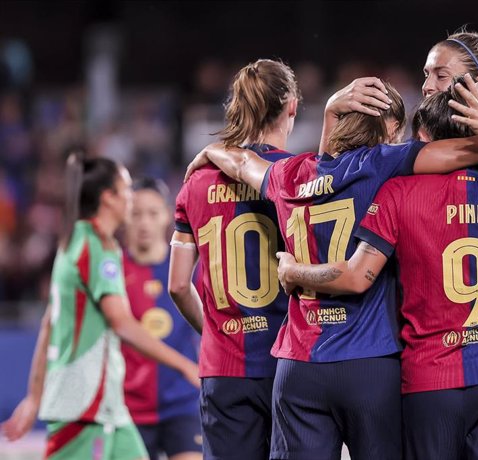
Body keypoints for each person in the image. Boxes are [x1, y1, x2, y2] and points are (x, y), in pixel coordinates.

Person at [184, 72, 478, 459]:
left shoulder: (288, 175)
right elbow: (469, 151)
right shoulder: (383, 166)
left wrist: (212, 152)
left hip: (299, 364)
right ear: (389, 129)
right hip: (370, 361)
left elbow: (244, 163)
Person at [326, 29, 478, 421]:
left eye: (439, 75)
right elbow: (330, 180)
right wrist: (333, 113)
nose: (427, 85)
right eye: (425, 74)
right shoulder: (429, 145)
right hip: (434, 333)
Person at [0, 152, 199, 460]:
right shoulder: (98, 248)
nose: (132, 201)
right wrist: (184, 364)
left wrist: (34, 396)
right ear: (109, 198)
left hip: (110, 407)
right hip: (83, 404)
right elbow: (121, 323)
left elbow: (48, 323)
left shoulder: (75, 240)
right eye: (126, 190)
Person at [168, 59, 296, 460]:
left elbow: (177, 285)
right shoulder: (295, 176)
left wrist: (216, 332)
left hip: (224, 368)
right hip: (287, 362)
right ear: (291, 106)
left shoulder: (196, 183)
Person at [122, 178, 202, 460]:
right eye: (136, 213)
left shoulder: (187, 268)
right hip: (128, 406)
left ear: (167, 214)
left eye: (152, 213)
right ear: (124, 216)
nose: (144, 223)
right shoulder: (112, 271)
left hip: (183, 403)